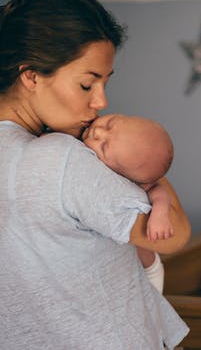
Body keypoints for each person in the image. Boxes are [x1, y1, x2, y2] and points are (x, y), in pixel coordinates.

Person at [0, 0, 191, 350]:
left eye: (104, 83)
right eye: (86, 85)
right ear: (30, 75)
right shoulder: (61, 158)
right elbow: (174, 234)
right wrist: (146, 162)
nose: (101, 101)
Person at [81, 113, 176, 293]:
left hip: (147, 267)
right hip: (112, 263)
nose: (98, 132)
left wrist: (160, 214)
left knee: (152, 304)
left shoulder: (131, 182)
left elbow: (158, 191)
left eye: (104, 147)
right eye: (109, 124)